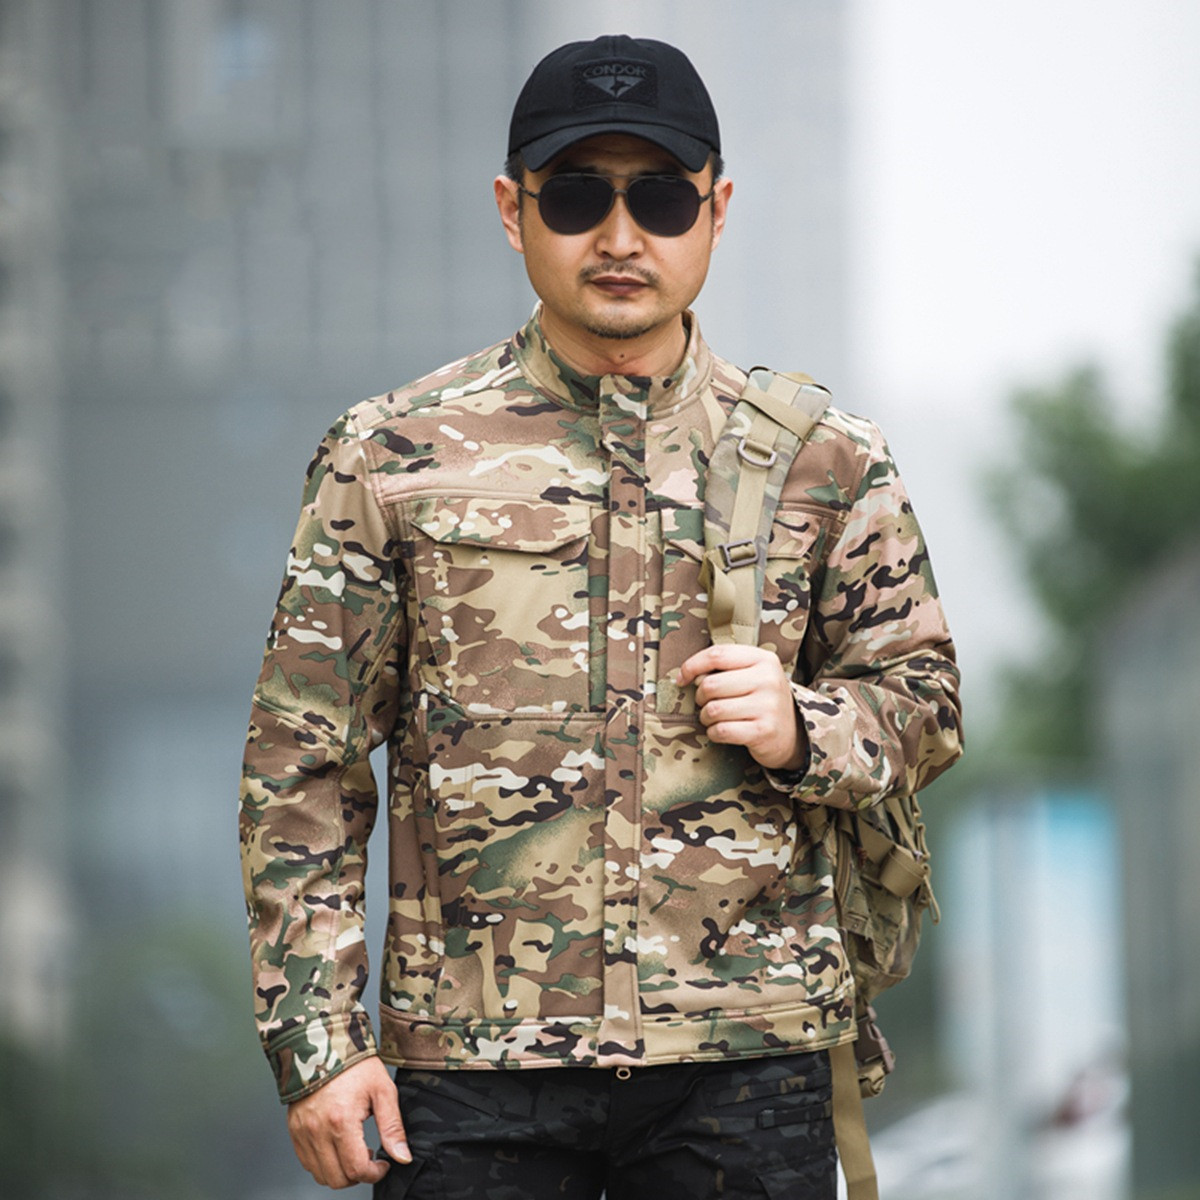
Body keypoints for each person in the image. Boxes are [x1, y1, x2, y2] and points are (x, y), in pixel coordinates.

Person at [239, 33, 963, 1199]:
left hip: (746, 1059)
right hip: (473, 1071)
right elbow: (303, 763)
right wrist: (320, 1043)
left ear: (717, 210)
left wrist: (805, 726)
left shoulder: (825, 461)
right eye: (578, 196)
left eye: (660, 198)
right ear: (511, 209)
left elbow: (925, 706)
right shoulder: (393, 455)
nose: (621, 237)